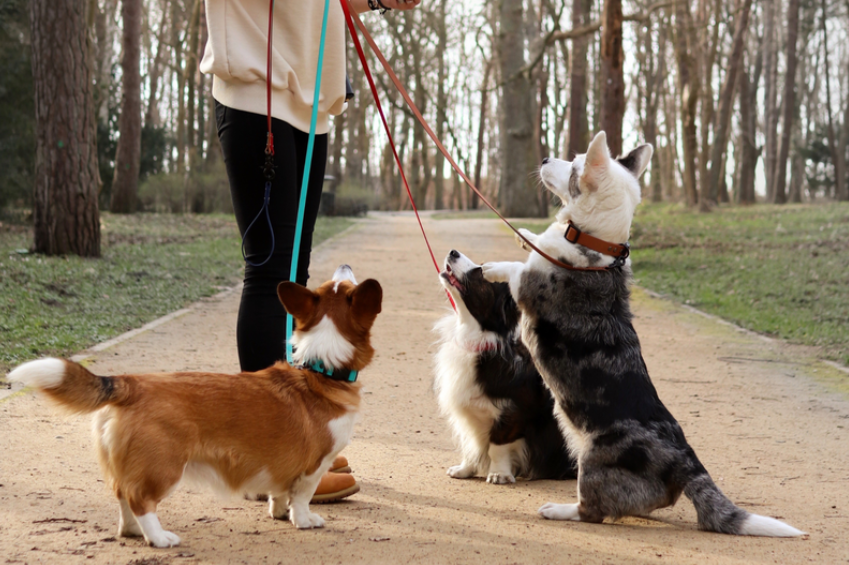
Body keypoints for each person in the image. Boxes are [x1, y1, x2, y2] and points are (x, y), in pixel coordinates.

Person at [201, 0, 422, 503]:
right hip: (259, 92)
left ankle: (296, 441)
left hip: (309, 103)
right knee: (269, 271)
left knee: (292, 275)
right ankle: (268, 457)